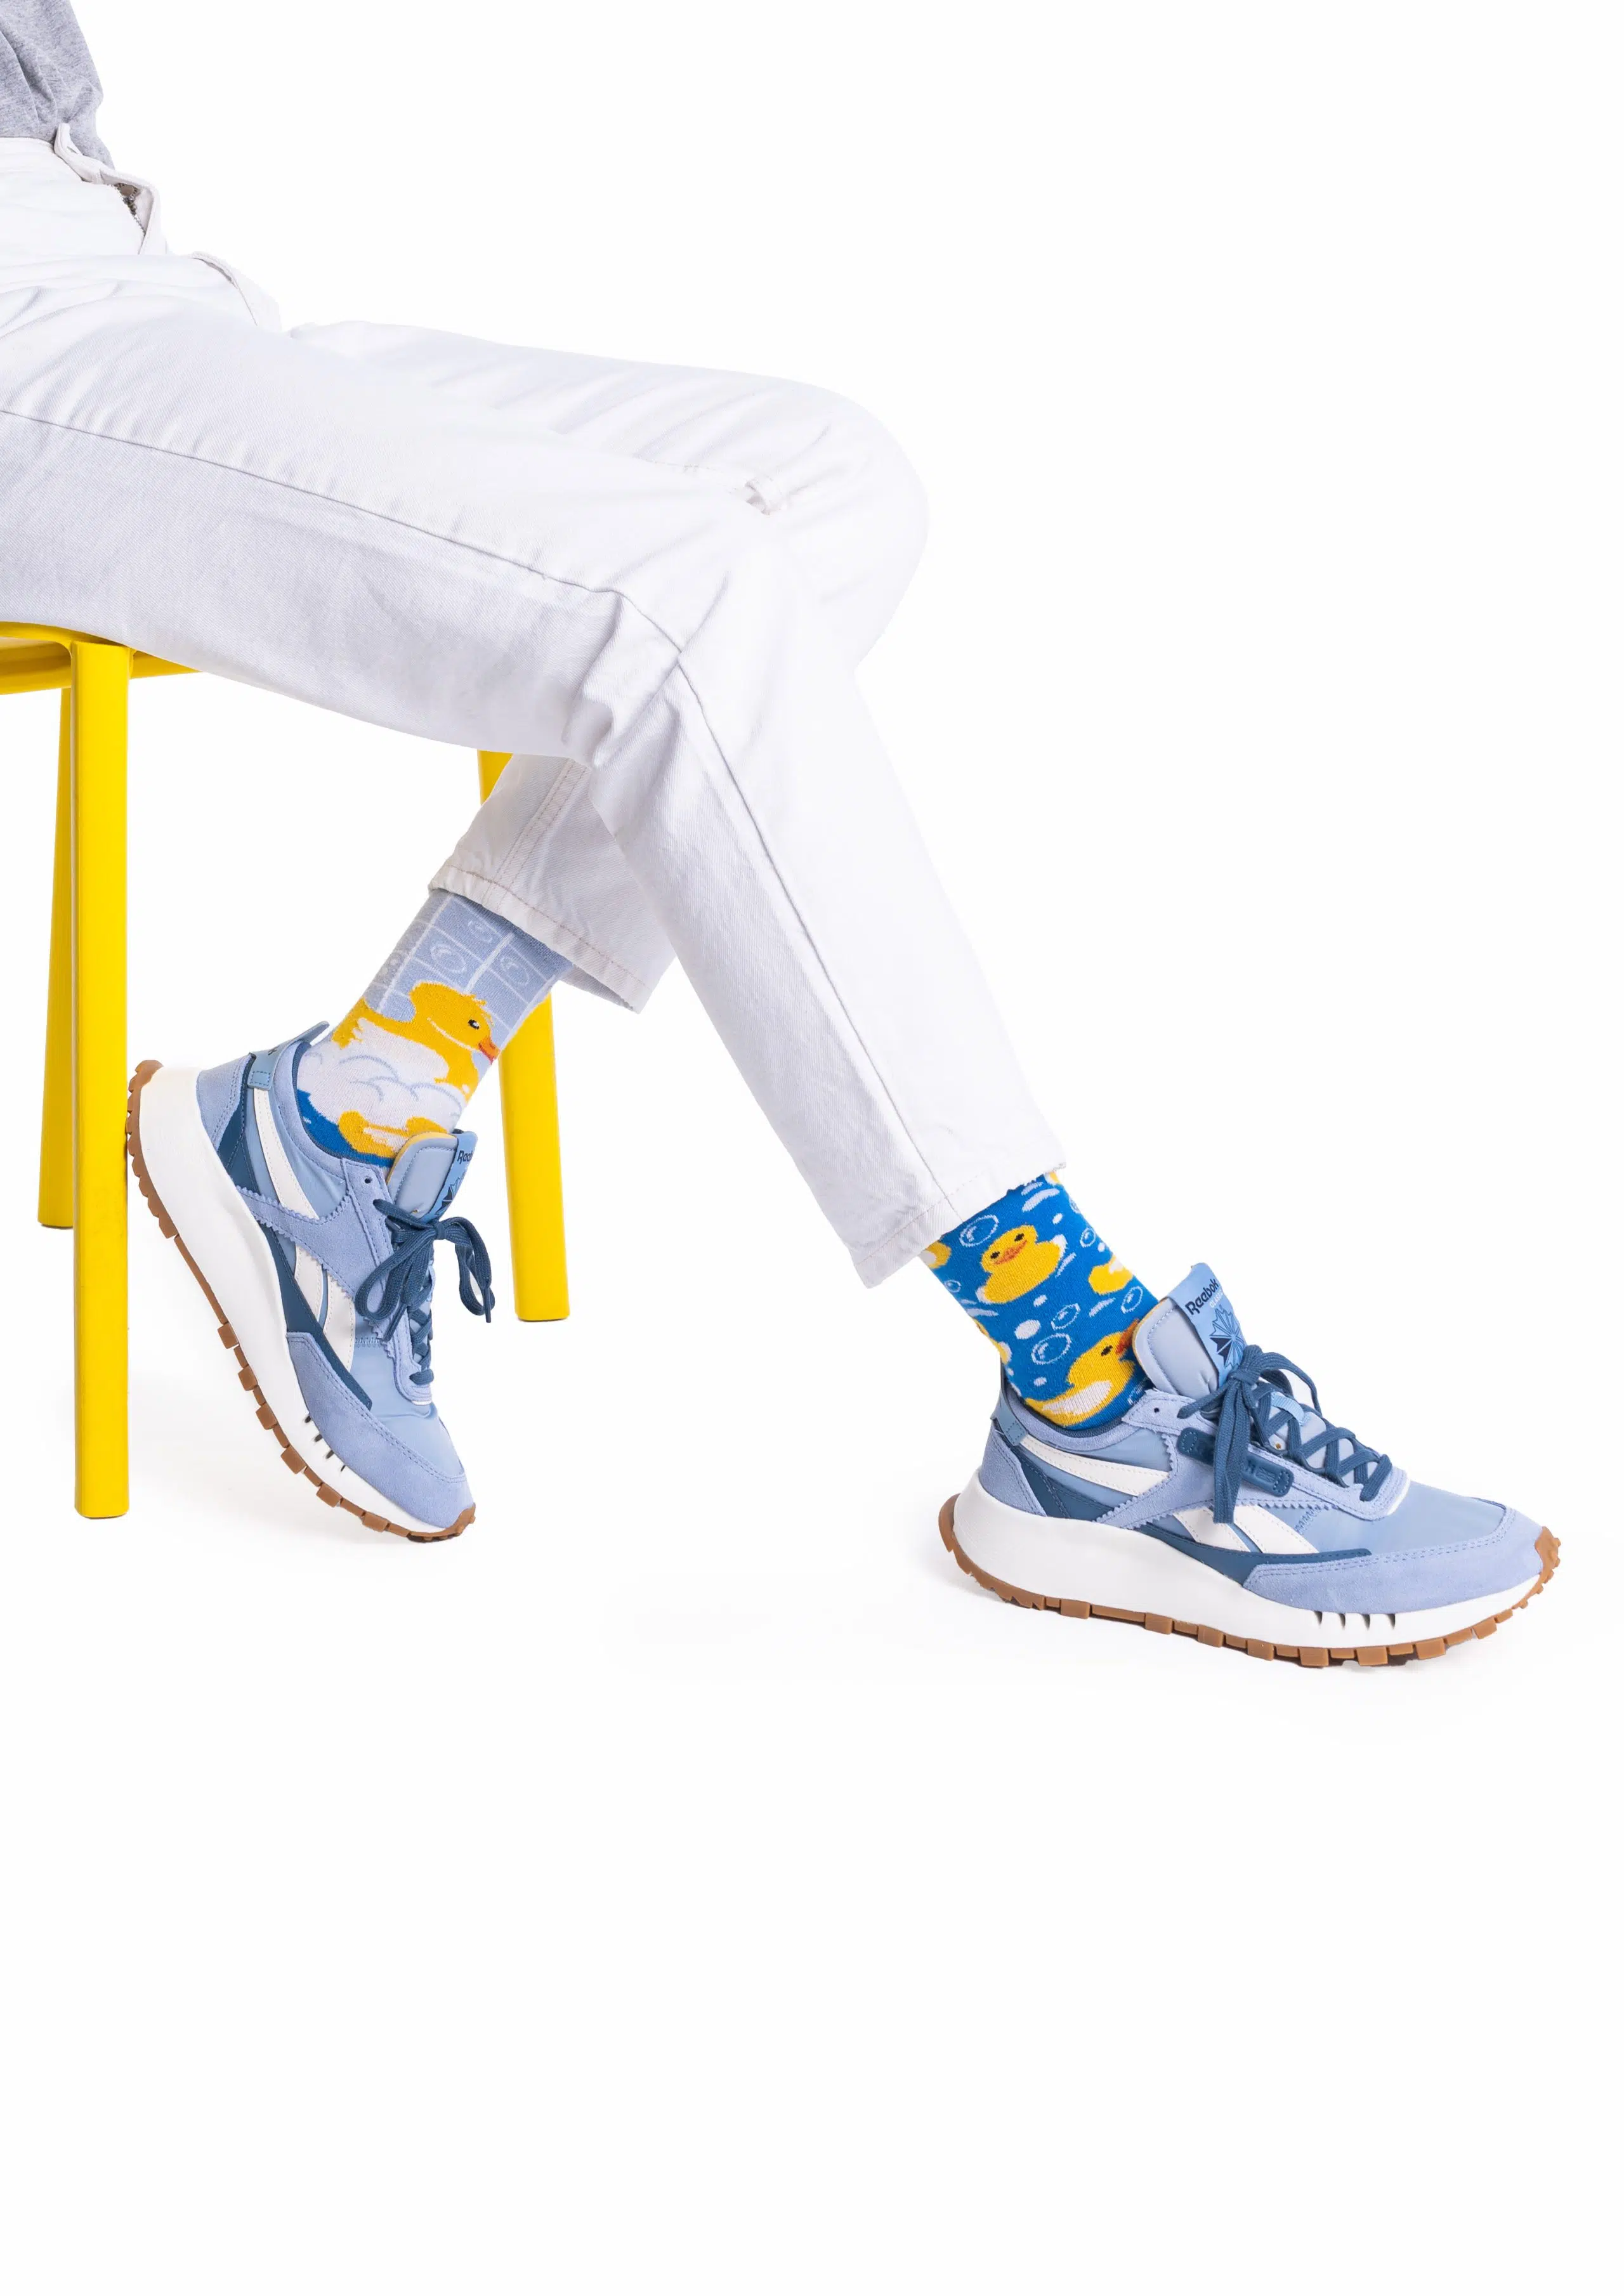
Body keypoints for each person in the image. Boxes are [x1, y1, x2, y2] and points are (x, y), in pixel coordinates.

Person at [1, 2, 1557, 1662]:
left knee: (823, 487)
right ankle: (1090, 1382)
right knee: (685, 594)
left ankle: (351, 1108)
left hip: (137, 265)